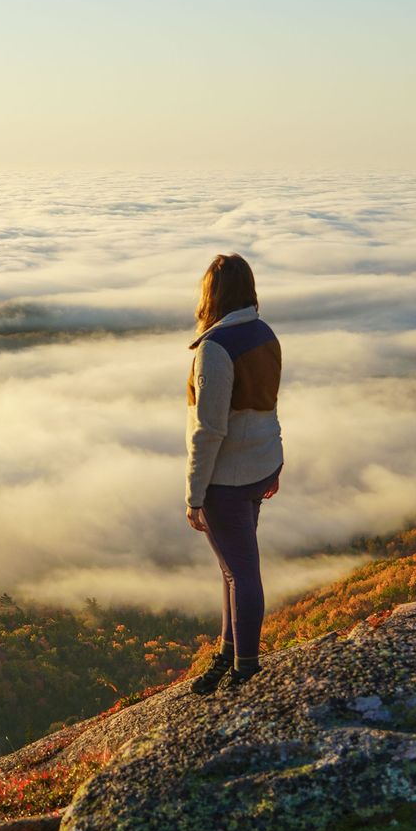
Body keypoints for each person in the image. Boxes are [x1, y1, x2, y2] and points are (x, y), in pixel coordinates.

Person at [184, 252, 283, 692]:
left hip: (228, 479)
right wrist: (274, 465)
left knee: (240, 570)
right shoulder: (263, 333)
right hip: (260, 465)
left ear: (212, 296)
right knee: (232, 568)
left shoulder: (216, 349)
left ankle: (245, 668)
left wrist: (194, 494)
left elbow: (209, 430)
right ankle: (230, 652)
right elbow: (267, 407)